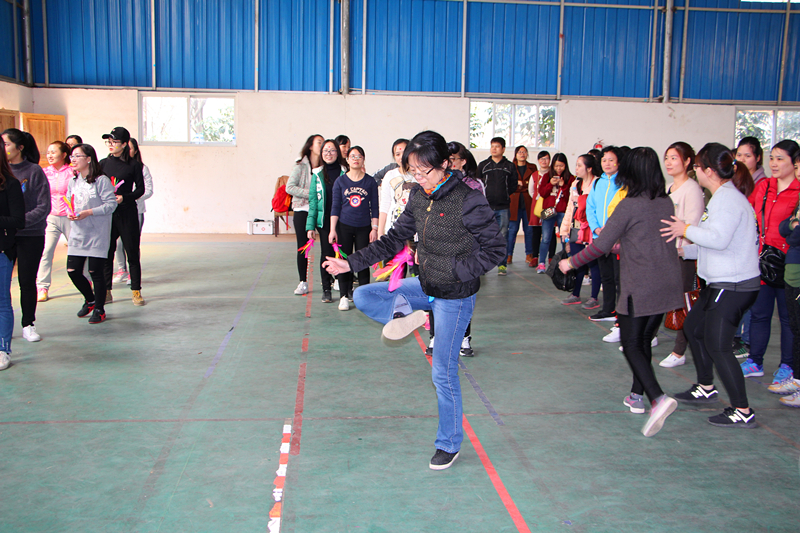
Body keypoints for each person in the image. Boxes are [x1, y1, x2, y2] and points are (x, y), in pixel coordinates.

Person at [322, 130, 505, 470]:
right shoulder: (420, 196)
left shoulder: (469, 200)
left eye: (425, 171)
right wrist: (351, 263)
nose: (418, 177)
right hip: (426, 284)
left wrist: (455, 269)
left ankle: (448, 444)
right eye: (413, 171)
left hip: (455, 295)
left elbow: (496, 250)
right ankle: (413, 315)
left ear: (445, 164)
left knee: (443, 373)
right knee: (364, 295)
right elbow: (393, 239)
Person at [560, 147, 682, 437]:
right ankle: (637, 395)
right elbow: (644, 237)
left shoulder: (629, 205)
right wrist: (623, 243)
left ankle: (658, 398)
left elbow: (600, 245)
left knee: (630, 343)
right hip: (667, 281)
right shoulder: (664, 201)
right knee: (643, 340)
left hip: (641, 284)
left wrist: (570, 262)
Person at [661, 142, 760, 427]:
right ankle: (706, 386)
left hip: (734, 285)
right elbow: (711, 241)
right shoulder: (719, 197)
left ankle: (742, 410)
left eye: (696, 167)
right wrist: (683, 250)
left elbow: (718, 239)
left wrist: (685, 229)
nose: (695, 172)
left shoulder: (728, 200)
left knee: (719, 345)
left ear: (708, 171)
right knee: (693, 327)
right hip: (719, 282)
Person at [741, 140, 800, 385]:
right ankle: (755, 361)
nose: (774, 164)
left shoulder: (798, 190)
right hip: (764, 261)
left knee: (788, 318)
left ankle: (788, 365)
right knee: (759, 314)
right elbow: (749, 215)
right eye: (772, 158)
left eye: (780, 159)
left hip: (790, 263)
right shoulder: (764, 186)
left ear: (794, 163)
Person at [658, 142, 705, 368]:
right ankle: (651, 335)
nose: (668, 162)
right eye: (667, 157)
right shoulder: (669, 188)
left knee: (683, 302)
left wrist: (681, 247)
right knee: (662, 297)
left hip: (682, 254)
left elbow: (692, 226)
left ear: (687, 162)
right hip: (665, 253)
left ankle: (679, 351)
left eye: (674, 158)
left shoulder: (692, 189)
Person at [2, 128, 50, 342]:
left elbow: (43, 206)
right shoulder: (2, 172)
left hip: (30, 234)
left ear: (19, 147)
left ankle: (28, 324)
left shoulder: (34, 171)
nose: (3, 148)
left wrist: (18, 222)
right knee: (3, 282)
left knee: (27, 280)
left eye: (6, 144)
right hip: (5, 235)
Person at [65, 144, 117, 324]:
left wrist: (88, 212)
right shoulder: (73, 181)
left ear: (88, 159)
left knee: (95, 272)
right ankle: (90, 299)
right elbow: (69, 202)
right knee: (72, 271)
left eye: (77, 156)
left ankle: (100, 309)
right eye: (72, 156)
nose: (73, 159)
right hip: (78, 232)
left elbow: (111, 205)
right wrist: (70, 213)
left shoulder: (101, 180)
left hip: (97, 233)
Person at [99, 127, 145, 306]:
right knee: (107, 252)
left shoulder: (134, 165)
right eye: (109, 142)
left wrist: (124, 198)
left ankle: (136, 291)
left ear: (125, 144)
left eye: (115, 142)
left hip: (127, 212)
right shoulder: (103, 164)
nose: (111, 145)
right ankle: (106, 291)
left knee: (132, 252)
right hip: (108, 214)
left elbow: (140, 190)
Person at [329, 146, 379, 311]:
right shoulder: (340, 181)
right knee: (345, 261)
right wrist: (332, 229)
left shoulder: (370, 182)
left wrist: (374, 228)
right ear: (347, 160)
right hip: (344, 227)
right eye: (352, 156)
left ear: (363, 159)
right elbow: (335, 207)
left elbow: (375, 207)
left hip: (364, 227)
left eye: (359, 156)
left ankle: (364, 298)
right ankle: (344, 296)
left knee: (363, 261)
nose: (356, 159)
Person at [306, 139, 347, 303]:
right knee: (326, 254)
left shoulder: (345, 171)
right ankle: (326, 289)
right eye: (325, 151)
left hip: (343, 221)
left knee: (344, 254)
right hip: (324, 222)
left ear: (338, 153)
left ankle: (345, 289)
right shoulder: (317, 174)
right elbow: (313, 202)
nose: (329, 154)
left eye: (332, 150)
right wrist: (310, 226)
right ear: (321, 154)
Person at [585, 146, 624, 321]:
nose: (607, 163)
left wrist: (613, 231)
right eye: (604, 160)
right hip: (600, 237)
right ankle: (608, 310)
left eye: (611, 160)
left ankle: (622, 313)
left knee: (619, 277)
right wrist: (595, 228)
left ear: (619, 162)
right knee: (605, 276)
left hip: (617, 239)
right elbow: (590, 208)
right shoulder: (597, 183)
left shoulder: (624, 183)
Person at [774, 151, 800, 406]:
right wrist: (793, 225)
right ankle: (797, 378)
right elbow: (785, 227)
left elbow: (794, 235)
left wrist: (793, 228)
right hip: (792, 270)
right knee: (795, 326)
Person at [559, 154, 601, 307]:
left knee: (593, 263)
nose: (576, 168)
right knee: (577, 262)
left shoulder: (598, 184)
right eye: (576, 165)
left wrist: (582, 200)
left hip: (590, 230)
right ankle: (575, 294)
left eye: (579, 165)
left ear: (589, 168)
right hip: (576, 228)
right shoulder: (575, 184)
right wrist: (564, 230)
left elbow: (597, 207)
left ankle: (594, 297)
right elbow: (570, 209)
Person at [37, 141, 75, 302]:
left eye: (53, 152)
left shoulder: (72, 172)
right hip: (51, 217)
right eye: (48, 152)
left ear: (64, 154)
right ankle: (42, 287)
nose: (50, 155)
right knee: (46, 251)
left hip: (70, 218)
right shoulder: (44, 172)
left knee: (78, 250)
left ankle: (88, 281)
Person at [112, 138, 154, 285]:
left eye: (130, 148)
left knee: (131, 244)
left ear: (135, 151)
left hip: (135, 210)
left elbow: (147, 190)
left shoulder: (141, 168)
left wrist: (130, 199)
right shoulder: (113, 166)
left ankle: (132, 273)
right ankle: (121, 269)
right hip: (117, 210)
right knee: (117, 243)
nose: (126, 151)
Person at [286, 134, 323, 296]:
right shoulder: (300, 165)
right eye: (319, 142)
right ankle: (303, 282)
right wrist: (311, 193)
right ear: (310, 146)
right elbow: (289, 187)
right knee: (303, 246)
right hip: (302, 209)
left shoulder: (325, 166)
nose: (322, 145)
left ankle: (331, 280)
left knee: (329, 244)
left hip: (320, 210)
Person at [0, 142, 26, 370]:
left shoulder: (10, 184)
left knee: (2, 301)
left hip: (2, 250)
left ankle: (3, 349)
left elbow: (18, 220)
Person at [477, 137, 516, 275]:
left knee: (503, 236)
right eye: (492, 146)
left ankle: (502, 265)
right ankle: (482, 265)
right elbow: (478, 184)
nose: (494, 149)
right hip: (485, 207)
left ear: (503, 149)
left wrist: (503, 195)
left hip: (503, 207)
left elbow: (513, 185)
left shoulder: (509, 166)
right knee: (483, 236)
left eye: (497, 146)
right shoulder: (483, 165)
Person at [536, 152, 573, 273]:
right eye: (556, 166)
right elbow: (542, 193)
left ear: (565, 166)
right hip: (549, 211)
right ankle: (541, 263)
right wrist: (550, 184)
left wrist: (564, 186)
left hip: (563, 211)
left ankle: (566, 262)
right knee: (546, 238)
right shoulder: (547, 176)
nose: (558, 168)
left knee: (564, 238)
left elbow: (570, 197)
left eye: (561, 166)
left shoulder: (570, 178)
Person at [508, 146, 536, 266]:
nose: (522, 154)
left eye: (524, 152)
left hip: (528, 201)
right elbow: (509, 184)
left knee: (529, 230)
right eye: (519, 152)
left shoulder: (532, 167)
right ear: (516, 154)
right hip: (514, 202)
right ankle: (509, 254)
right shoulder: (510, 166)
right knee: (512, 230)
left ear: (527, 154)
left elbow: (533, 185)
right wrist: (520, 185)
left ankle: (529, 254)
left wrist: (521, 184)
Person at [377, 139, 411, 236]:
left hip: (413, 230)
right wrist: (380, 232)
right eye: (397, 154)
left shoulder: (419, 175)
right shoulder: (390, 175)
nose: (401, 157)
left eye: (404, 153)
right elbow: (384, 205)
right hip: (393, 229)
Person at [528, 150, 555, 268]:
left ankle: (551, 256)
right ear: (538, 161)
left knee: (550, 231)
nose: (544, 161)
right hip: (538, 205)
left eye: (546, 158)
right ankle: (535, 256)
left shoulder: (553, 174)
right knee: (536, 231)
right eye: (541, 159)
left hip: (549, 206)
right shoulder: (534, 175)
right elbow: (531, 191)